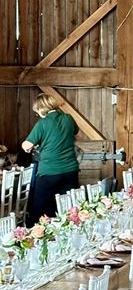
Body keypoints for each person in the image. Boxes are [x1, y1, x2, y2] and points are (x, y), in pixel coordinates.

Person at [21, 93, 80, 223]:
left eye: (37, 112)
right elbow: (75, 131)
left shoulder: (42, 123)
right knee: (68, 210)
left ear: (41, 109)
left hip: (49, 172)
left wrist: (29, 146)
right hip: (70, 171)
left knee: (40, 212)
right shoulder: (68, 118)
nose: (38, 114)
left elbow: (26, 145)